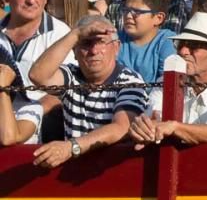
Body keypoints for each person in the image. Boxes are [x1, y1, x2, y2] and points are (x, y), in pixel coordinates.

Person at [28, 15, 147, 168]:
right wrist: (75, 34)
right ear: (75, 52)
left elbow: (120, 128)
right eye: (86, 43)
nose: (94, 50)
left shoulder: (130, 81)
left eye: (101, 42)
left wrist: (71, 147)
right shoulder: (72, 75)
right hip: (74, 170)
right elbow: (37, 76)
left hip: (115, 172)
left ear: (116, 47)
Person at [130, 12, 207, 147]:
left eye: (194, 46)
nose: (183, 51)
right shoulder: (166, 79)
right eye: (181, 44)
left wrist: (174, 127)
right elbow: (154, 120)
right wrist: (144, 128)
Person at [115, 0, 176, 84]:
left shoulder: (166, 41)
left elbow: (166, 84)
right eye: (126, 10)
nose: (128, 16)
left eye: (137, 11)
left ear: (158, 18)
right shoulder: (115, 39)